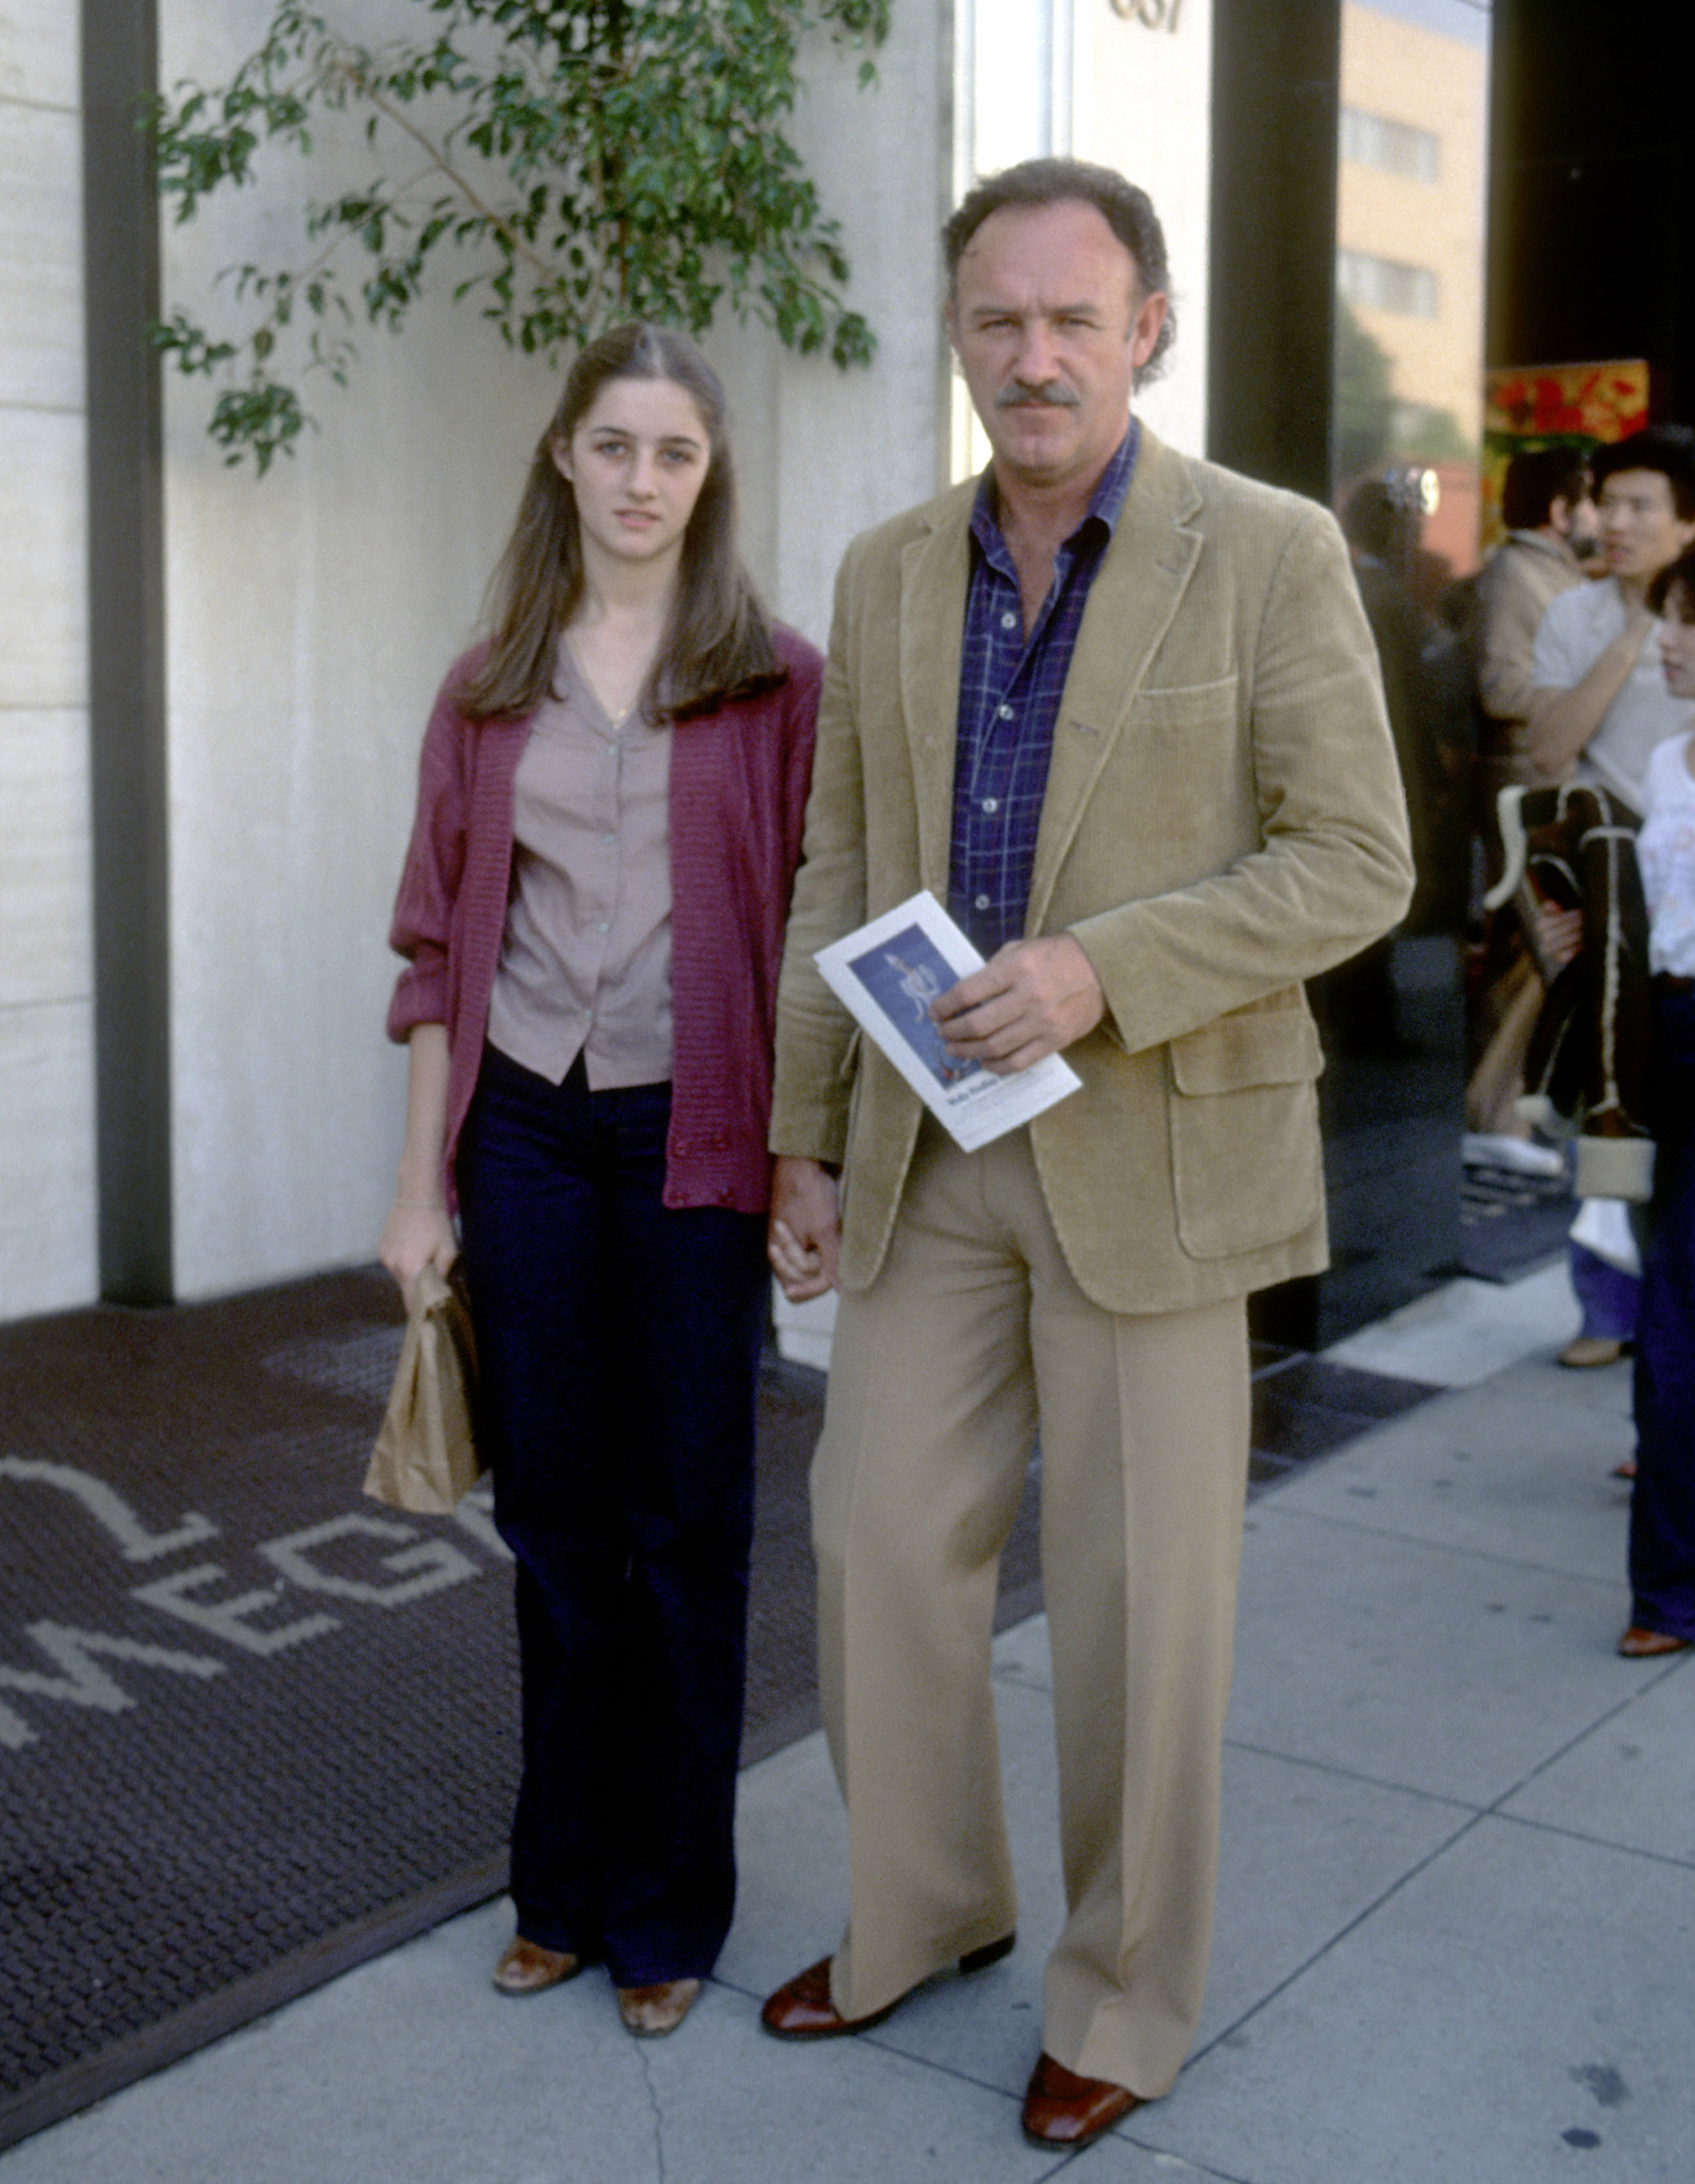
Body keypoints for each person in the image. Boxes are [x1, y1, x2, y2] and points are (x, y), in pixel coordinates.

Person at [757, 157, 1412, 2151]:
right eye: (995, 321)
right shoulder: (884, 569)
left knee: (1140, 1608)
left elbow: (1357, 862)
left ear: (1148, 329)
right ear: (957, 338)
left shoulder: (1269, 549)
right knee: (876, 1544)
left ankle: (1123, 2004)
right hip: (925, 1148)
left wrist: (1097, 972)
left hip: (1155, 1152)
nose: (1031, 358)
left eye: (1071, 318)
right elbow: (840, 874)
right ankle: (926, 1911)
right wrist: (804, 1138)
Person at [379, 323, 821, 2038]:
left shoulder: (774, 681)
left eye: (676, 454)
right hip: (530, 1139)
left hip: (694, 1136)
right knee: (556, 1520)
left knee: (688, 1524)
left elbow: (811, 939)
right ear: (561, 455)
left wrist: (808, 1156)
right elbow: (435, 956)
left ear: (709, 481)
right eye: (614, 444)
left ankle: (668, 1904)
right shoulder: (486, 687)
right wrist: (422, 1188)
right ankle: (556, 1880)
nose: (642, 480)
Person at [1528, 425, 1695, 1366]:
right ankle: (1606, 1307)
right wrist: (1634, 628)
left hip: (1683, 892)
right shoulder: (1576, 616)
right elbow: (1550, 751)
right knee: (1603, 1084)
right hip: (1604, 874)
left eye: (1642, 507)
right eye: (1608, 502)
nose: (1615, 522)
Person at [1460, 449, 1597, 1173]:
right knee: (1558, 951)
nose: (1605, 519)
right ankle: (1499, 1118)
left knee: (1526, 964)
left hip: (1552, 785)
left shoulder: (1555, 574)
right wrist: (1592, 701)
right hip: (1525, 787)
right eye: (1595, 500)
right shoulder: (1517, 575)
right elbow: (1500, 687)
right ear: (1560, 509)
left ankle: (1496, 1116)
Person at [1618, 543, 1695, 1656]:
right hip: (1670, 1040)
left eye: (1688, 623)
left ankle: (1669, 1593)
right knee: (1670, 1316)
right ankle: (1669, 1588)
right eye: (1670, 620)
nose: (1671, 642)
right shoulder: (1671, 762)